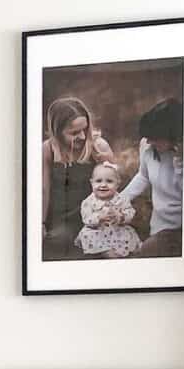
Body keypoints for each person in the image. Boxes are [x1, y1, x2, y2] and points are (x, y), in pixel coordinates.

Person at [41, 96, 114, 260]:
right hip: (61, 218)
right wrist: (41, 223)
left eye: (85, 129)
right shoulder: (48, 149)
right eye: (74, 133)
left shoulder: (97, 145)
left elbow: (114, 185)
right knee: (57, 242)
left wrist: (108, 161)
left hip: (94, 216)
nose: (82, 136)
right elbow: (44, 189)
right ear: (57, 132)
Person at [121, 99, 184, 258]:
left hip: (181, 229)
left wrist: (179, 164)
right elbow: (143, 176)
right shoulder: (147, 146)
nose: (148, 141)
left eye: (154, 137)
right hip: (158, 225)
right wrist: (120, 199)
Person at [75, 162, 141, 258]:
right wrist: (98, 217)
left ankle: (131, 251)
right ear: (92, 183)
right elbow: (86, 218)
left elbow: (130, 212)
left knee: (128, 234)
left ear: (117, 184)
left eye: (109, 181)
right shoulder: (88, 202)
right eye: (98, 181)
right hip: (98, 231)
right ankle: (105, 251)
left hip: (117, 229)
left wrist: (120, 216)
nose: (103, 185)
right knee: (87, 235)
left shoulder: (121, 199)